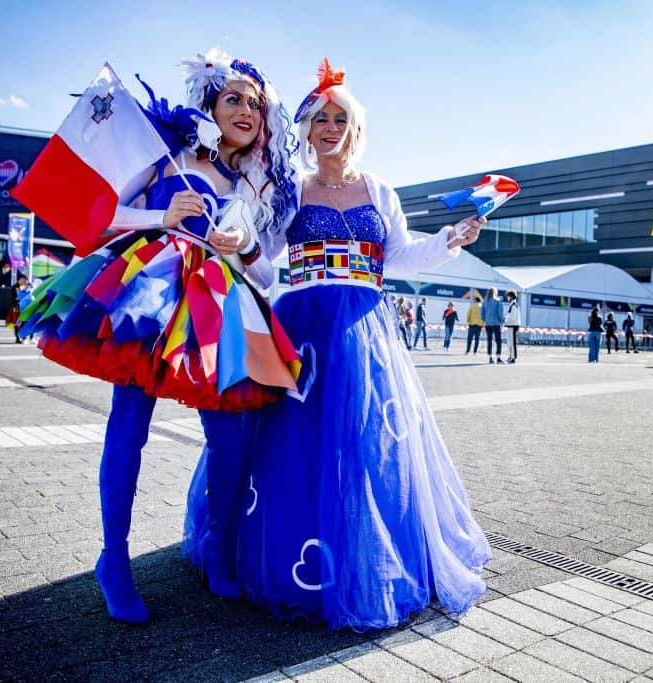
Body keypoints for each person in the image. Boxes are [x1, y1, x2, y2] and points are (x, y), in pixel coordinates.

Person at [185, 59, 490, 631]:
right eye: (320, 117)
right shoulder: (290, 190)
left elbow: (398, 256)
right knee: (294, 448)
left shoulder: (380, 189)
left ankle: (365, 556)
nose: (330, 126)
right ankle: (270, 551)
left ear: (356, 128)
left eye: (341, 117)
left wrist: (451, 239)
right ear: (304, 129)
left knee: (364, 445)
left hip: (367, 332)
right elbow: (268, 264)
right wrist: (243, 245)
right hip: (302, 332)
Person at [17, 50, 300, 623]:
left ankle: (218, 549)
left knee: (230, 438)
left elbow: (268, 271)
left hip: (217, 306)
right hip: (151, 295)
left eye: (256, 103)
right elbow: (101, 214)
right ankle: (113, 560)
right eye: (234, 98)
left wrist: (242, 247)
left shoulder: (256, 188)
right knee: (129, 428)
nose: (246, 110)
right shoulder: (168, 149)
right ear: (211, 103)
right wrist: (161, 218)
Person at [482, 287, 504, 364]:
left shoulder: (484, 302)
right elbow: (500, 313)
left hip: (488, 324)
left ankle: (490, 357)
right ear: (495, 293)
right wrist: (502, 321)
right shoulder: (498, 301)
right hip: (496, 323)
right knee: (498, 341)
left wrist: (485, 320)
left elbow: (482, 314)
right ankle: (498, 358)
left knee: (489, 340)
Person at [7, 274, 29, 341]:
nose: (25, 282)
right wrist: (24, 291)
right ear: (21, 279)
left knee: (25, 321)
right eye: (24, 281)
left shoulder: (25, 286)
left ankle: (23, 335)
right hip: (16, 307)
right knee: (17, 322)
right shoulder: (15, 287)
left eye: (26, 281)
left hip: (24, 307)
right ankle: (18, 337)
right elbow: (17, 297)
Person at [504, 290, 520, 364]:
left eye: (507, 296)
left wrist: (506, 321)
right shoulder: (512, 304)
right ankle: (510, 356)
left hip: (513, 325)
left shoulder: (514, 304)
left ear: (511, 296)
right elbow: (509, 315)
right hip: (511, 325)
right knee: (509, 342)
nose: (507, 297)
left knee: (512, 343)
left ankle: (513, 357)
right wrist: (506, 319)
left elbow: (512, 317)